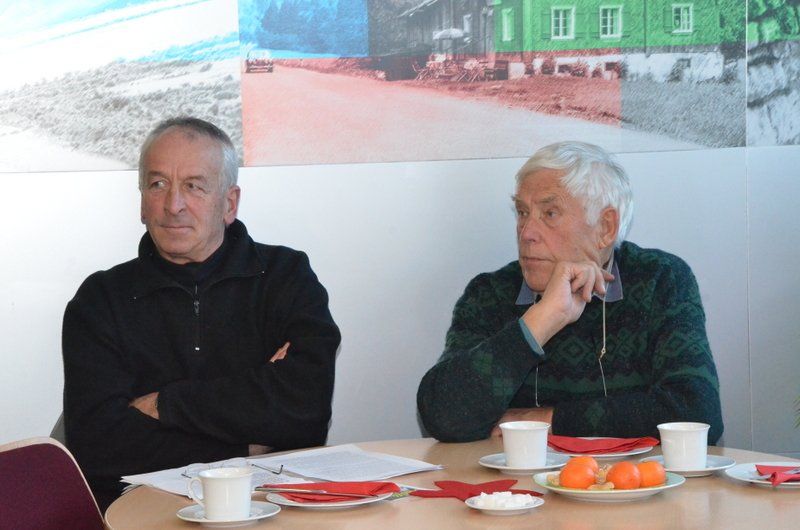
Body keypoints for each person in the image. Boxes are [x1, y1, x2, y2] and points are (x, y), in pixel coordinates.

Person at [62, 117, 341, 509]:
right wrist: (245, 446)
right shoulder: (100, 300)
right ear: (141, 202)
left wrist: (164, 405)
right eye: (158, 184)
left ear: (229, 203)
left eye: (193, 186)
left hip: (272, 509)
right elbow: (98, 447)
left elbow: (306, 411)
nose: (173, 205)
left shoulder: (286, 277)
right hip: (143, 514)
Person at [417, 141, 723, 444]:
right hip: (520, 478)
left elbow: (697, 413)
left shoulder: (660, 279)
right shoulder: (490, 294)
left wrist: (548, 420)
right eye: (522, 212)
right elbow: (443, 417)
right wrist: (541, 320)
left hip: (631, 477)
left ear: (605, 227)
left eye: (550, 214)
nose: (526, 233)